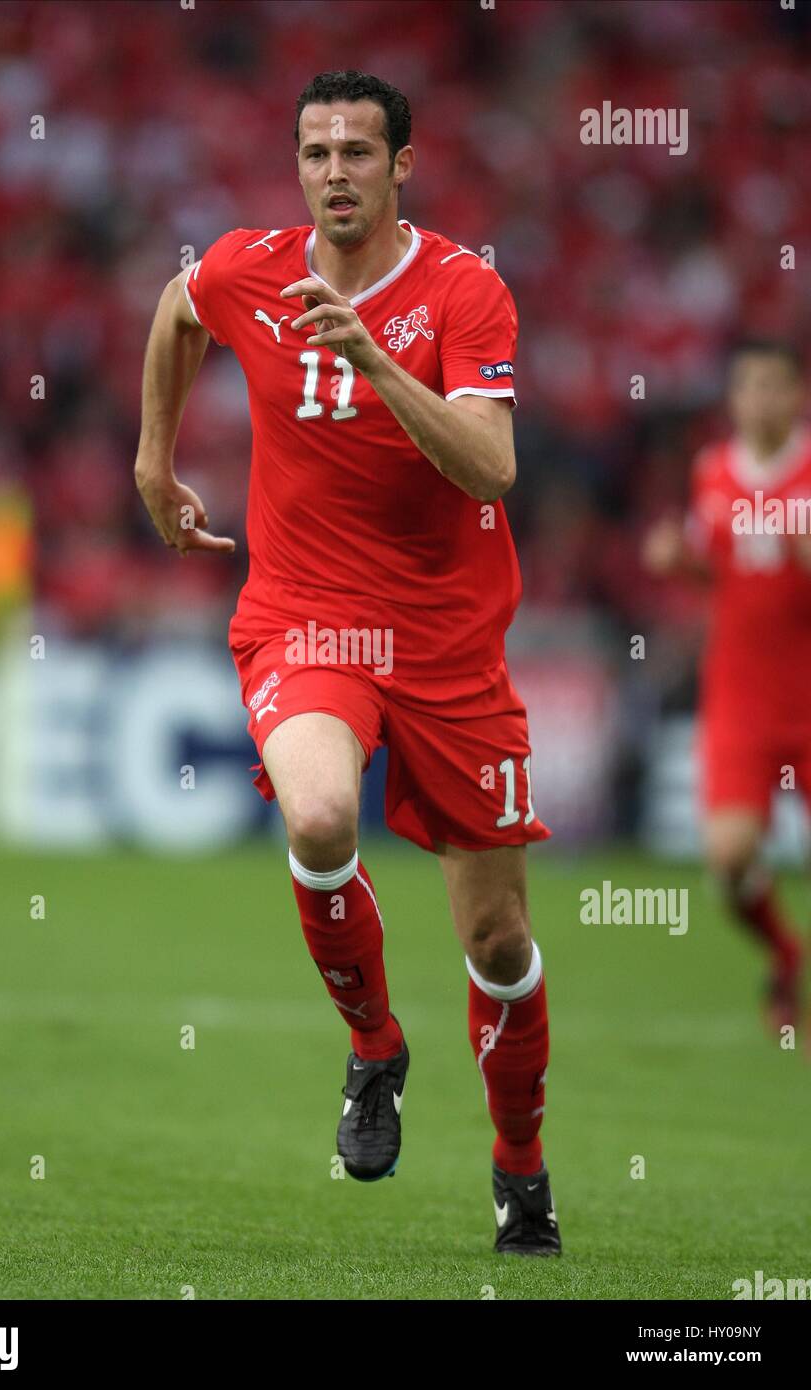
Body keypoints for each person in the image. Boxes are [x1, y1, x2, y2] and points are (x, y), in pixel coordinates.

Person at [135, 70, 559, 1255]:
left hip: (447, 645)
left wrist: (375, 361)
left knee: (498, 945)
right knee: (319, 817)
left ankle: (517, 1166)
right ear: (298, 165)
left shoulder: (463, 293)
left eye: (358, 152)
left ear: (400, 167)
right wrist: (152, 461)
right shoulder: (247, 267)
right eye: (316, 150)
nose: (334, 171)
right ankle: (375, 1046)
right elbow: (175, 310)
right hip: (306, 616)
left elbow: (489, 468)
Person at [645, 341, 811, 1036]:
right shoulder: (711, 472)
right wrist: (677, 560)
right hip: (741, 696)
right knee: (728, 856)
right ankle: (784, 955)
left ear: (798, 395)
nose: (760, 400)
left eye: (774, 386)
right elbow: (719, 569)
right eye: (748, 387)